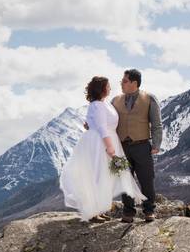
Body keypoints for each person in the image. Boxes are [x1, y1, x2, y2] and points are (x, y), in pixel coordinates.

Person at [60, 76, 145, 221]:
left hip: (106, 140)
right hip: (102, 143)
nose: (110, 88)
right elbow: (102, 127)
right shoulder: (98, 105)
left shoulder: (102, 104)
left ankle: (98, 209)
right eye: (108, 86)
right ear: (102, 88)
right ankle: (93, 212)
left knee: (106, 176)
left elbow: (98, 123)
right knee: (99, 175)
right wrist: (110, 147)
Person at [110, 68, 162, 223]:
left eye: (124, 81)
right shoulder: (115, 100)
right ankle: (128, 212)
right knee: (124, 179)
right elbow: (107, 121)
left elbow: (157, 124)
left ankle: (149, 211)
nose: (121, 83)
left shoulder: (149, 99)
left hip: (142, 146)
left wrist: (156, 144)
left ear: (134, 82)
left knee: (146, 179)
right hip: (121, 147)